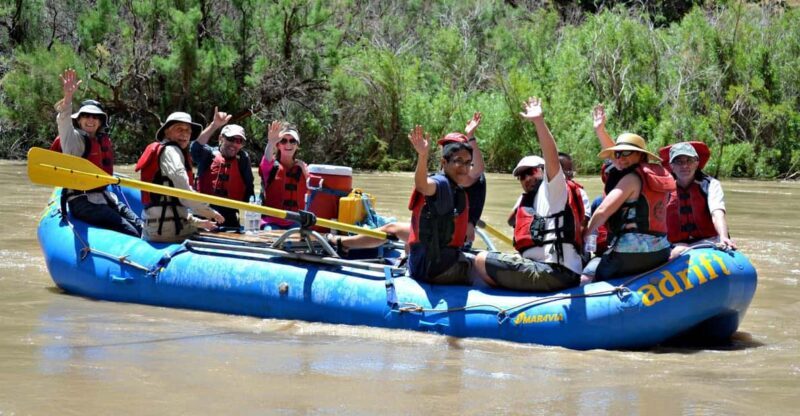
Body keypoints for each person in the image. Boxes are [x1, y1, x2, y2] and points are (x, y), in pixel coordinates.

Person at [331, 126, 473, 284]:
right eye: (458, 161)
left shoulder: (456, 183)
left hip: (438, 249)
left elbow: (424, 186)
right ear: (444, 161)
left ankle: (344, 243)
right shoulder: (442, 183)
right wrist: (423, 156)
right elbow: (423, 185)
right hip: (437, 241)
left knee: (398, 232)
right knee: (393, 228)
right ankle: (343, 242)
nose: (464, 168)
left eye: (467, 163)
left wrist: (423, 155)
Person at [471, 97, 583, 292]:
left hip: (556, 272)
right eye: (522, 176)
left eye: (531, 172)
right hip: (539, 268)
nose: (527, 178)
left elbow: (552, 159)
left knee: (480, 260)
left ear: (542, 170)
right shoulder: (527, 200)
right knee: (476, 257)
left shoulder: (553, 191)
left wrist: (539, 122)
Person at [580, 104, 676, 284]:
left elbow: (602, 212)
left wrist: (586, 234)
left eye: (626, 153)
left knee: (588, 278)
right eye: (617, 154)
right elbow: (617, 159)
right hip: (660, 252)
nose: (620, 158)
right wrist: (600, 130)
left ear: (640, 156)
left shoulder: (631, 179)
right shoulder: (654, 174)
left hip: (629, 255)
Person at [52, 69, 142, 237]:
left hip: (105, 197)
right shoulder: (73, 140)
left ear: (101, 122)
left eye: (95, 117)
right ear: (79, 119)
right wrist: (68, 97)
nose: (90, 120)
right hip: (82, 201)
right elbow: (63, 121)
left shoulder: (101, 140)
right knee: (129, 231)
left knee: (140, 227)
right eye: (86, 115)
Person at [135, 112, 225, 242]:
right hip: (167, 231)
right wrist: (209, 212)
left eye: (188, 131)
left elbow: (174, 202)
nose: (185, 134)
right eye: (179, 129)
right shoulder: (171, 151)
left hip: (159, 226)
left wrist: (199, 222)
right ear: (167, 132)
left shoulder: (169, 151)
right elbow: (183, 193)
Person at [659, 141, 736, 251]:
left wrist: (723, 237)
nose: (685, 166)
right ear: (671, 166)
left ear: (696, 163)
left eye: (689, 160)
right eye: (679, 162)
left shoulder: (711, 185)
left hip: (709, 241)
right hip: (675, 244)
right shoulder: (662, 189)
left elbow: (717, 214)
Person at [191, 108, 255, 228]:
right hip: (203, 215)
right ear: (221, 138)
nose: (235, 144)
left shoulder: (243, 159)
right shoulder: (208, 154)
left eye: (239, 141)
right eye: (231, 139)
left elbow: (249, 191)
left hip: (229, 217)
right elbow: (195, 148)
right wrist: (214, 125)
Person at [435, 112, 486, 248]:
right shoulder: (442, 175)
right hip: (441, 233)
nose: (448, 149)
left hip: (459, 239)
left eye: (452, 146)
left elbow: (478, 169)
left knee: (394, 228)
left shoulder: (465, 173)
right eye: (446, 146)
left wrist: (470, 136)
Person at [258, 121, 309, 229]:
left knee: (298, 238)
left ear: (297, 145)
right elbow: (267, 160)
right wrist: (271, 142)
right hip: (271, 222)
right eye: (283, 141)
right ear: (278, 145)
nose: (288, 144)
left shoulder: (303, 167)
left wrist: (305, 171)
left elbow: (313, 189)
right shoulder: (271, 166)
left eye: (292, 141)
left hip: (296, 222)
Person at [558, 152, 591, 228]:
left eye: (570, 170)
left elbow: (584, 221)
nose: (571, 173)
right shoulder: (543, 192)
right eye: (568, 170)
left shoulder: (579, 192)